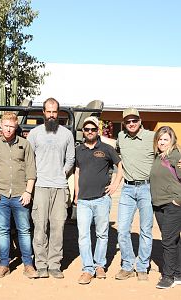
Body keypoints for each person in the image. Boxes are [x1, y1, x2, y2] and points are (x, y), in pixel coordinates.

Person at [27, 97, 75, 279]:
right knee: (40, 227)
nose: (52, 115)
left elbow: (70, 158)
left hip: (60, 187)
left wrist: (62, 172)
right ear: (44, 113)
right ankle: (41, 264)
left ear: (59, 113)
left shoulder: (66, 134)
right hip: (40, 186)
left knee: (58, 227)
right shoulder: (35, 134)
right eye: (49, 111)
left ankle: (54, 264)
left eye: (55, 112)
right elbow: (29, 158)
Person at [74, 116, 123, 284]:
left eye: (93, 129)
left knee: (102, 234)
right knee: (83, 235)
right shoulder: (78, 150)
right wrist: (76, 194)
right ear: (83, 132)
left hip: (102, 199)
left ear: (97, 131)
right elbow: (77, 172)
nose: (89, 132)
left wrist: (116, 184)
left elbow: (120, 166)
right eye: (86, 129)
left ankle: (99, 265)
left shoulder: (107, 149)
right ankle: (87, 269)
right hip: (83, 202)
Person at [0, 112, 38, 279]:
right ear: (1, 126)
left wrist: (28, 191)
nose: (9, 129)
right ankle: (4, 265)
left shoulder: (25, 144)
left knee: (24, 230)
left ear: (16, 127)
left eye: (12, 126)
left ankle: (28, 265)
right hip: (1, 195)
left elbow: (31, 170)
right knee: (2, 231)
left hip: (20, 195)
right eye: (6, 126)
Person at [115, 108, 154, 281]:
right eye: (128, 121)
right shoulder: (121, 137)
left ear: (140, 120)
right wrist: (116, 181)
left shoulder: (152, 137)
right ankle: (127, 265)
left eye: (134, 120)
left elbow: (168, 150)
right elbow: (119, 158)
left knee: (146, 230)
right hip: (128, 189)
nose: (131, 124)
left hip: (147, 188)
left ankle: (143, 267)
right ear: (124, 123)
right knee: (122, 230)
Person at [150, 126, 181, 289]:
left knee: (168, 240)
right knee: (174, 240)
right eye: (160, 139)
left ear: (172, 140)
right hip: (159, 204)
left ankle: (168, 276)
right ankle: (178, 273)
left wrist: (178, 200)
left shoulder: (176, 156)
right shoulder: (158, 156)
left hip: (172, 205)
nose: (162, 142)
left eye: (165, 139)